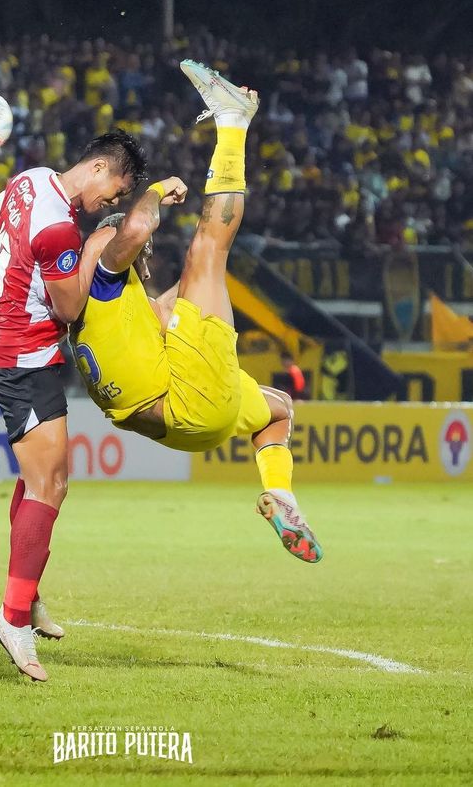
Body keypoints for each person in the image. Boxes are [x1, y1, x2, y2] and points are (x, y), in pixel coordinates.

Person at [70, 61, 323, 572]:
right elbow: (140, 231)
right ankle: (232, 123)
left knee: (277, 409)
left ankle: (282, 497)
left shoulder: (115, 309)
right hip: (187, 399)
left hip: (188, 426)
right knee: (209, 247)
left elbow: (177, 298)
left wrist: (197, 271)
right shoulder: (99, 279)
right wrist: (159, 189)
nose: (103, 231)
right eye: (103, 231)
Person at [0, 130, 150, 682]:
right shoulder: (61, 228)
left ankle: (26, 592)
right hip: (22, 356)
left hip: (15, 348)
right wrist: (95, 245)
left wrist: (21, 262)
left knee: (46, 481)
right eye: (116, 192)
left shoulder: (28, 181)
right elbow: (70, 309)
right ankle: (13, 616)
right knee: (49, 486)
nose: (113, 204)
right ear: (97, 167)